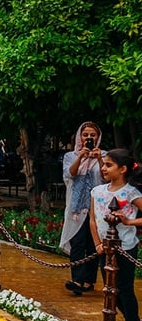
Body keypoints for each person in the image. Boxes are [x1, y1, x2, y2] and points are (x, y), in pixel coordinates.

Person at [88, 148, 142, 321]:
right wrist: (97, 243)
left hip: (125, 248)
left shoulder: (131, 193)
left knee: (124, 288)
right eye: (103, 164)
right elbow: (92, 220)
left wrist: (128, 222)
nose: (103, 168)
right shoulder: (97, 191)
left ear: (123, 169)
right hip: (104, 248)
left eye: (109, 164)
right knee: (110, 289)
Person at [59, 122, 104, 296]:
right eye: (85, 135)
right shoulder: (71, 155)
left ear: (98, 137)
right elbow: (69, 174)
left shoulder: (104, 155)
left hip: (96, 207)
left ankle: (88, 281)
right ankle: (77, 279)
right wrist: (81, 157)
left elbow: (106, 177)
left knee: (93, 244)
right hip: (77, 208)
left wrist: (99, 159)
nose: (89, 138)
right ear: (80, 137)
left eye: (93, 135)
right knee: (77, 242)